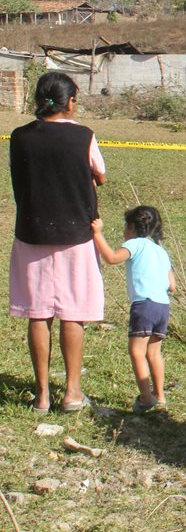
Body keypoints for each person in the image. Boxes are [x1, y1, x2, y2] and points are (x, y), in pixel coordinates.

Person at [9, 72, 106, 414]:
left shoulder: (19, 136)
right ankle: (72, 393)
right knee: (72, 314)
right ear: (71, 102)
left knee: (38, 314)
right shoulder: (83, 136)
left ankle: (42, 396)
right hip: (76, 235)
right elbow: (101, 173)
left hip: (32, 233)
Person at [92, 207, 175, 412]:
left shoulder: (135, 244)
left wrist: (97, 234)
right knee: (154, 353)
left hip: (143, 304)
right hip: (163, 306)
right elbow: (172, 285)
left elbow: (112, 257)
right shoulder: (161, 251)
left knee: (137, 351)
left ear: (132, 227)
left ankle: (146, 398)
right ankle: (160, 396)